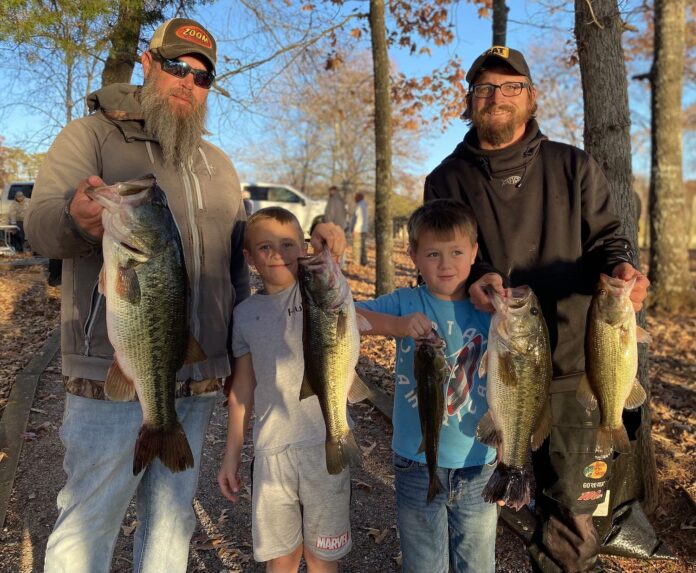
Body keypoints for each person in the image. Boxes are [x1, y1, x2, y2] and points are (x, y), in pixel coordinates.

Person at [24, 17, 345, 573]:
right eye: (176, 67)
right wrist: (76, 220)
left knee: (172, 526)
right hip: (109, 370)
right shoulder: (91, 136)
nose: (188, 82)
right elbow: (40, 225)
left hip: (198, 378)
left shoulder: (218, 165)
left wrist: (241, 357)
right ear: (148, 64)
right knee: (89, 522)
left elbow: (240, 265)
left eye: (202, 77)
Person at [424, 46, 650, 573]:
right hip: (488, 364)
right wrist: (476, 279)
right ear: (470, 100)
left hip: (579, 366)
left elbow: (609, 241)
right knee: (475, 502)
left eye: (511, 86)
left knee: (574, 515)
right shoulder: (446, 179)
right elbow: (436, 257)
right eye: (485, 87)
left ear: (531, 97)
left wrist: (623, 270)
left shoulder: (574, 166)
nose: (497, 96)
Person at [354, 199, 498, 573]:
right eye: (433, 254)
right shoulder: (405, 302)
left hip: (478, 461)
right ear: (414, 256)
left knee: (477, 564)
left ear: (475, 253)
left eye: (456, 252)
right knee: (423, 565)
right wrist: (397, 326)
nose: (446, 264)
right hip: (415, 462)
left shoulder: (489, 310)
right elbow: (344, 316)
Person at [218, 207, 352, 573]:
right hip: (271, 453)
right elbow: (242, 389)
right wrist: (231, 455)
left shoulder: (318, 291)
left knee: (323, 556)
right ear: (249, 257)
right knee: (281, 557)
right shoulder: (244, 314)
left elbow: (331, 261)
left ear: (304, 248)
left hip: (325, 445)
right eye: (265, 247)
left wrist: (328, 238)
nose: (277, 253)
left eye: (288, 244)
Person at [323, 185, 347, 267]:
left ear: (332, 191)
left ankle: (332, 265)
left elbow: (329, 214)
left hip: (333, 226)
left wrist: (327, 225)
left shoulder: (332, 200)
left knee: (332, 247)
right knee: (340, 245)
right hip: (341, 226)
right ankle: (341, 264)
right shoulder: (341, 200)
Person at [350, 192, 368, 266]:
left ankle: (356, 263)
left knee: (356, 247)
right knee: (362, 247)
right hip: (363, 229)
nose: (354, 199)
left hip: (359, 230)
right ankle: (364, 262)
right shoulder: (364, 205)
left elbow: (359, 219)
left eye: (355, 197)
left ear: (359, 198)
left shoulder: (360, 206)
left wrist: (355, 229)